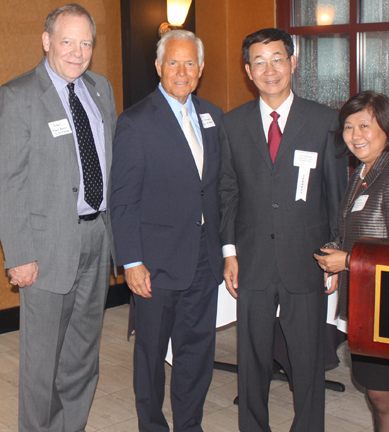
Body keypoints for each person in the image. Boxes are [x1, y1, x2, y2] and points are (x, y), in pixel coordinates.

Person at [0, 4, 117, 431]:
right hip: (44, 251)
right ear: (47, 41)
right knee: (42, 366)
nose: (77, 52)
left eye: (86, 43)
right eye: (67, 41)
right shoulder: (19, 94)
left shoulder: (102, 89)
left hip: (96, 239)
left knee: (82, 358)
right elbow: (8, 180)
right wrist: (19, 254)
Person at [219, 28, 347, 432]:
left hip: (306, 259)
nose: (269, 69)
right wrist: (229, 252)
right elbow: (227, 192)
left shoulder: (325, 121)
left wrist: (334, 256)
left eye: (277, 59)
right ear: (248, 70)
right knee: (251, 361)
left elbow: (336, 195)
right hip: (251, 259)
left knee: (307, 363)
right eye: (259, 61)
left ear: (293, 63)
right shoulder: (232, 123)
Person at [110, 30, 223, 432]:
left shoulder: (213, 116)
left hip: (204, 261)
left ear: (201, 69)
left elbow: (216, 190)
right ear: (158, 67)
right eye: (173, 62)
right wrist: (132, 261)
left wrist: (226, 251)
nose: (181, 71)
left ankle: (189, 425)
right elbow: (122, 200)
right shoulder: (135, 122)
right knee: (151, 357)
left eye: (189, 63)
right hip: (154, 266)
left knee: (196, 356)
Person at [315, 91, 389, 432]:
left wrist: (347, 261)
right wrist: (333, 251)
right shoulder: (364, 172)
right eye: (348, 127)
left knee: (382, 396)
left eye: (365, 125)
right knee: (385, 394)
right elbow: (355, 229)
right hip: (367, 304)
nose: (355, 135)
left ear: (387, 129)